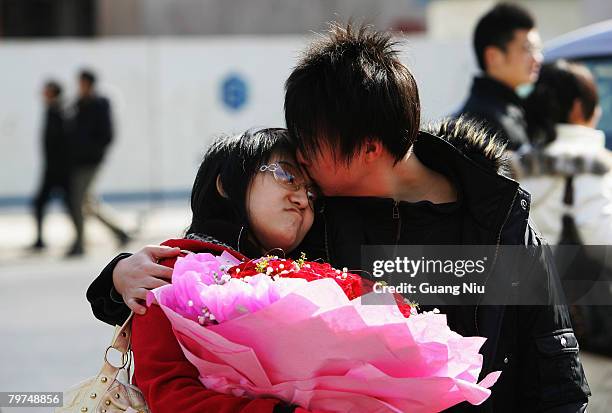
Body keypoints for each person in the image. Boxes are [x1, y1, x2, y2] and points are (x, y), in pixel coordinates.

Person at [88, 24, 590, 412]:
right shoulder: (320, 219)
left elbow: (556, 382)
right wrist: (118, 277)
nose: (299, 158)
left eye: (309, 141)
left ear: (367, 149)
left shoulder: (498, 221)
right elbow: (210, 280)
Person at [132, 128, 316, 412]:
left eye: (311, 194)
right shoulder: (172, 271)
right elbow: (167, 392)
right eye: (287, 176)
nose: (303, 200)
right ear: (227, 185)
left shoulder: (305, 278)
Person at [517, 61, 612, 355]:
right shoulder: (592, 162)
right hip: (585, 327)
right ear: (577, 108)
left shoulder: (519, 163)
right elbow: (603, 236)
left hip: (529, 317)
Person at [457, 2, 542, 151]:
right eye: (528, 49)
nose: (537, 58)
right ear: (493, 57)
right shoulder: (483, 122)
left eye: (537, 49)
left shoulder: (508, 109)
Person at [67, 69, 130, 256]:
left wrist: (93, 152)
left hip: (91, 162)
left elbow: (107, 134)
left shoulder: (100, 104)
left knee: (78, 200)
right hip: (78, 161)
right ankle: (120, 232)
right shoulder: (78, 104)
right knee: (87, 202)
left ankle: (79, 243)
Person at [31, 80, 74, 250]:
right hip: (51, 169)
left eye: (46, 91)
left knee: (74, 206)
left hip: (60, 170)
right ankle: (40, 240)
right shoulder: (51, 110)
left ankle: (79, 240)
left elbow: (64, 143)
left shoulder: (60, 111)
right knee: (40, 203)